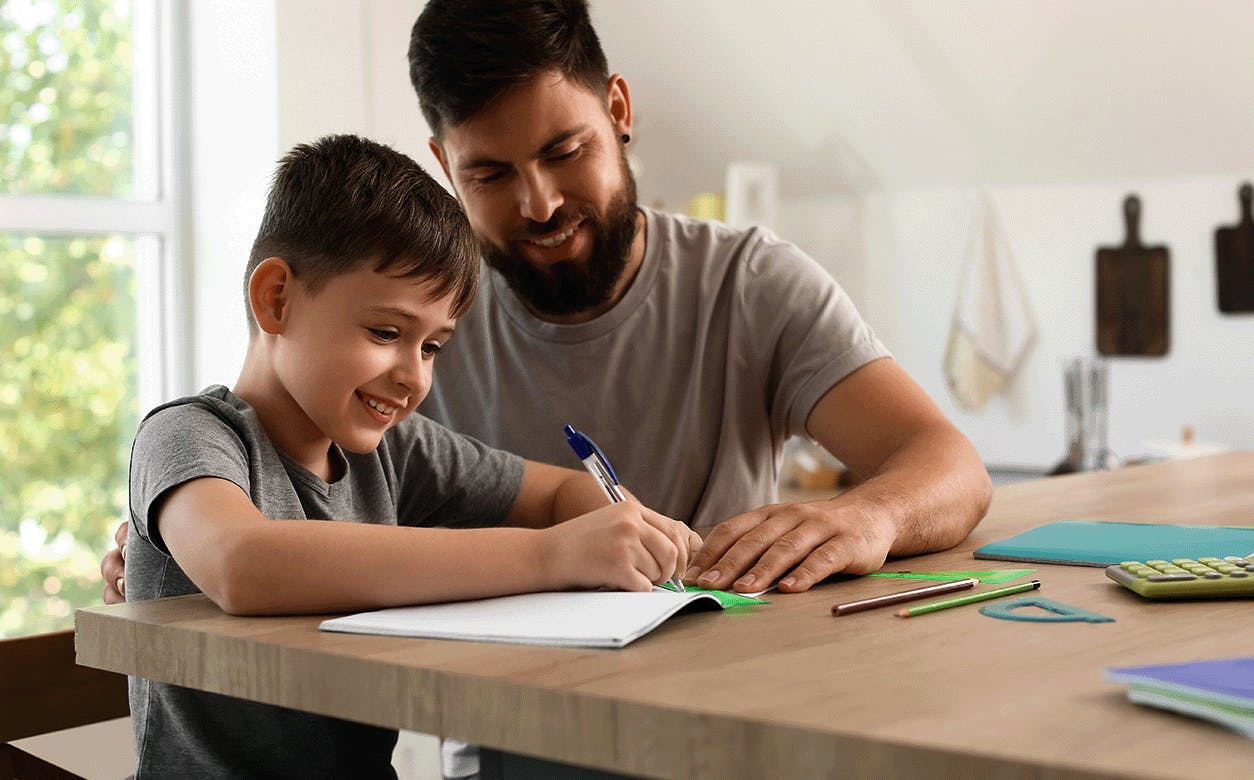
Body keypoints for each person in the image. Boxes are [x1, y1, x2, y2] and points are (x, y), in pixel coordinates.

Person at [121, 134, 698, 778]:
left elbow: (561, 492)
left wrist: (623, 529)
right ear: (276, 298)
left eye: (432, 348)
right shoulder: (187, 436)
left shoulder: (394, 450)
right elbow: (243, 564)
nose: (414, 378)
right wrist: (553, 553)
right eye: (387, 334)